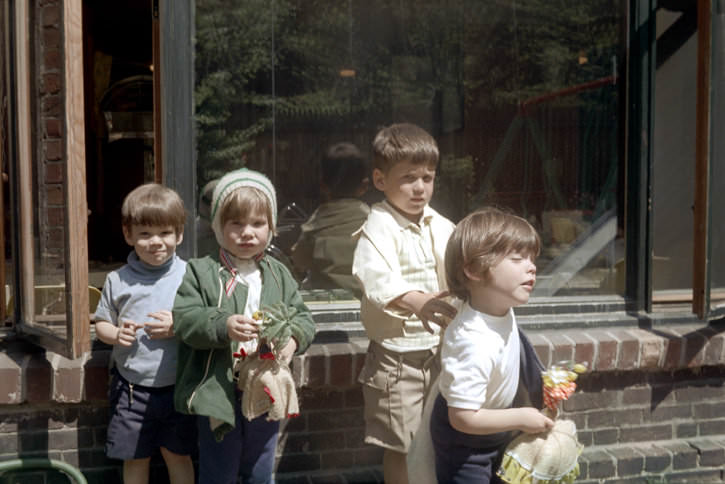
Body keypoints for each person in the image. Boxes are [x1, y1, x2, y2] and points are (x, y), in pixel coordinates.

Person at [173, 167, 316, 484]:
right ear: (218, 227)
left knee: (261, 464)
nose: (247, 232)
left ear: (272, 228)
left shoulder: (279, 272)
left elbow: (303, 317)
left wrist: (293, 341)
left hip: (265, 382)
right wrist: (223, 325)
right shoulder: (202, 271)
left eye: (257, 224)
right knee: (219, 468)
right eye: (236, 223)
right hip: (219, 389)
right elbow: (185, 318)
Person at [352, 123, 458, 484]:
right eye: (409, 178)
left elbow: (464, 260)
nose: (419, 188)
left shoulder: (440, 224)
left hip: (440, 349)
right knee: (400, 441)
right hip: (397, 357)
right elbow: (375, 277)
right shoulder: (377, 226)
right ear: (380, 180)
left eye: (427, 178)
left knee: (437, 432)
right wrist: (416, 301)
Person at [430, 207, 554, 483]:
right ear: (474, 269)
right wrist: (521, 417)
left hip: (494, 425)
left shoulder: (496, 305)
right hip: (464, 444)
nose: (531, 266)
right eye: (517, 258)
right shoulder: (473, 341)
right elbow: (462, 418)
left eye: (532, 258)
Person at [94, 183, 195, 484]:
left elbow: (203, 323)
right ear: (129, 235)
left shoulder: (190, 276)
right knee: (135, 457)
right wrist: (115, 335)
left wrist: (177, 326)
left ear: (179, 234)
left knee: (178, 455)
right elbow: (101, 324)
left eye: (165, 233)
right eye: (145, 234)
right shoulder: (117, 280)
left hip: (178, 386)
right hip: (131, 388)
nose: (156, 242)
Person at [290, 142, 370, 294]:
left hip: (324, 297)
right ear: (364, 186)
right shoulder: (372, 220)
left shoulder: (317, 222)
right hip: (364, 296)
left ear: (323, 186)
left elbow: (299, 260)